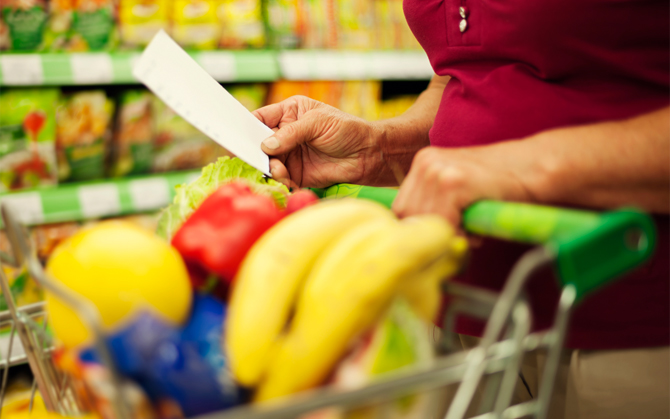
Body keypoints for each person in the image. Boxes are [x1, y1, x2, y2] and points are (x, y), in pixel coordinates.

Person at [253, 1, 669, 418]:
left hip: (629, 324)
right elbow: (464, 70)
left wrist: (522, 167)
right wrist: (381, 149)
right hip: (467, 313)